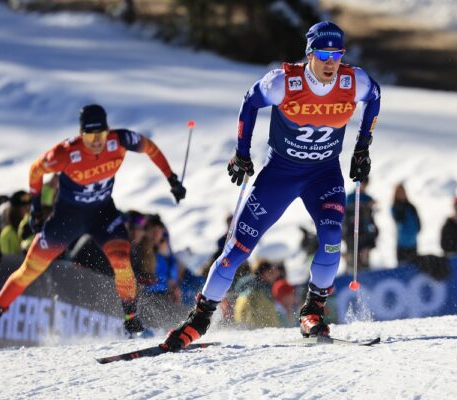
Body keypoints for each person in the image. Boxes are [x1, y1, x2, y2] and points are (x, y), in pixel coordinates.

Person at [162, 21, 381, 350]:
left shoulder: (353, 81)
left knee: (332, 237)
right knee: (236, 251)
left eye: (337, 54)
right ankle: (198, 319)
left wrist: (363, 146)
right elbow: (249, 102)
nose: (330, 62)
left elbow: (375, 96)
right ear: (309, 55)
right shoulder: (284, 82)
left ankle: (313, 311)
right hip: (280, 174)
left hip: (324, 175)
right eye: (323, 54)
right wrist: (241, 153)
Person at [0, 104, 187, 340]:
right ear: (81, 134)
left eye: (100, 134)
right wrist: (36, 209)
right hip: (67, 218)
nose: (96, 140)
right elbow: (36, 171)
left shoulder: (119, 140)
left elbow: (150, 148)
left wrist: (172, 179)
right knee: (30, 268)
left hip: (102, 214)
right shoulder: (66, 151)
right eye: (90, 135)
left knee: (121, 261)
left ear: (107, 130)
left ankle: (132, 320)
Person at [343, 176, 378, 270]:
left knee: (365, 265)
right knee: (351, 266)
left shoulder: (368, 198)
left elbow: (370, 220)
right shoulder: (351, 197)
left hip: (365, 236)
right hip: (352, 235)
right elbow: (346, 217)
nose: (364, 186)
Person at [391, 183, 421, 264]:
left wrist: (418, 228)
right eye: (400, 193)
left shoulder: (411, 207)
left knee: (414, 267)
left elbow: (417, 220)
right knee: (402, 268)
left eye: (403, 192)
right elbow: (398, 219)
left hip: (413, 243)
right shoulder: (395, 207)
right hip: (402, 244)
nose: (402, 195)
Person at [0, 190, 31, 256]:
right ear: (15, 209)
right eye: (24, 206)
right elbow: (9, 262)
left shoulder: (34, 227)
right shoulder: (7, 233)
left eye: (29, 206)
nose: (28, 209)